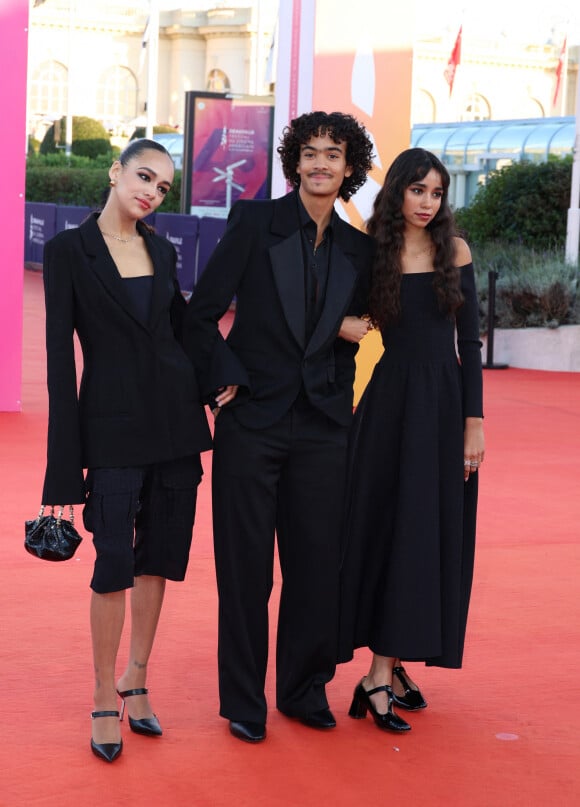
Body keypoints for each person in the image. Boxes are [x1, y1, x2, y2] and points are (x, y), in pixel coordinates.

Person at [185, 111, 375, 743]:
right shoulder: (253, 224)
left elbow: (367, 322)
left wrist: (356, 328)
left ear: (350, 168)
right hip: (253, 422)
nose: (321, 164)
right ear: (295, 161)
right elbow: (200, 315)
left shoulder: (360, 249)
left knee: (317, 567)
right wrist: (223, 378)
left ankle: (302, 689)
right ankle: (243, 700)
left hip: (325, 424)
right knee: (245, 572)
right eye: (311, 153)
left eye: (334, 155)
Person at [41, 139, 212, 762]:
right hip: (110, 430)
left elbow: (182, 334)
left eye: (163, 187)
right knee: (112, 561)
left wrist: (224, 382)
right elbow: (62, 365)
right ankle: (101, 691)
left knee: (158, 559)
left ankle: (136, 676)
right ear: (115, 172)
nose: (151, 191)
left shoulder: (162, 250)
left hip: (175, 426)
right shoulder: (67, 252)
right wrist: (64, 473)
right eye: (144, 176)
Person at [338, 148, 485, 733]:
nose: (428, 202)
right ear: (396, 190)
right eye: (417, 190)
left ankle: (387, 667)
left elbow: (470, 344)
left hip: (444, 410)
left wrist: (474, 423)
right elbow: (337, 323)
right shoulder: (372, 253)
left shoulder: (457, 250)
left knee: (425, 535)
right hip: (388, 407)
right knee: (384, 532)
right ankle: (378, 672)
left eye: (437, 193)